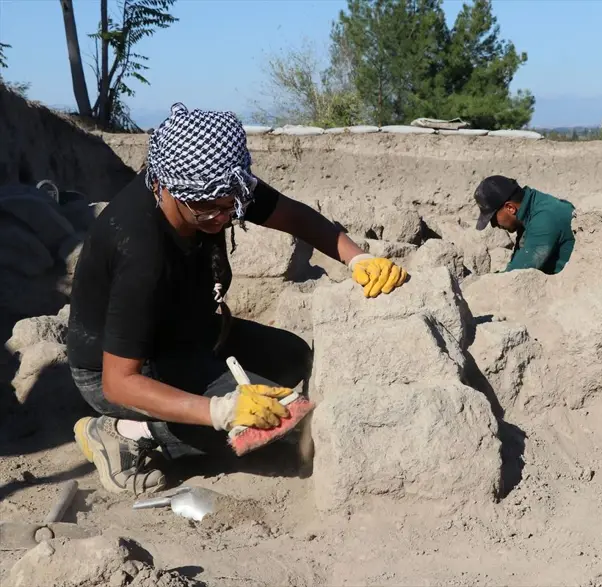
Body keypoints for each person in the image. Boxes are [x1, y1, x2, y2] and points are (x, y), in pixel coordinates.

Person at [67, 103, 408, 495]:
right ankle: (128, 432)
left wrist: (357, 257)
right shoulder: (141, 250)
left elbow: (294, 216)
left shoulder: (218, 184)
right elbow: (119, 383)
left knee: (294, 357)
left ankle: (191, 411)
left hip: (189, 333)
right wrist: (221, 410)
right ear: (168, 189)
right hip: (121, 368)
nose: (221, 217)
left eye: (230, 208)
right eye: (208, 209)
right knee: (285, 433)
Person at [473, 175, 575, 275]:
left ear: (510, 208)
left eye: (493, 219)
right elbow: (516, 264)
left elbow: (518, 274)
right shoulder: (528, 213)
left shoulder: (544, 218)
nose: (493, 225)